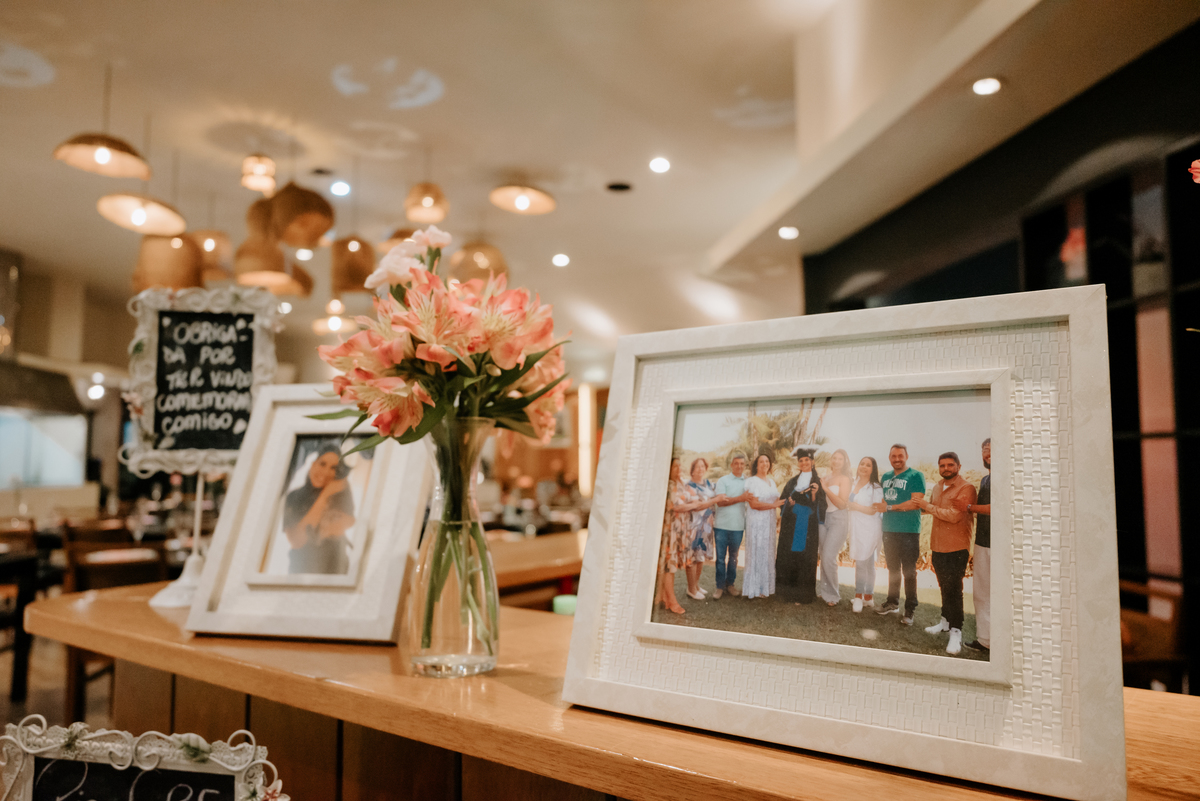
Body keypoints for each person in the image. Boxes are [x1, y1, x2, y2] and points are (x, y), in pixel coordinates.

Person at [913, 451, 977, 655]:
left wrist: (926, 505)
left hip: (957, 547)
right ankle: (945, 622)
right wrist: (916, 505)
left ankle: (956, 632)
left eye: (950, 465)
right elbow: (932, 509)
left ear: (958, 466)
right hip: (938, 545)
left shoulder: (966, 488)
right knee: (943, 586)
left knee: (954, 590)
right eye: (942, 465)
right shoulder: (938, 487)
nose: (946, 469)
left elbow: (954, 516)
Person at [282, 446, 356, 575]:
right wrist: (325, 494)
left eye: (333, 468)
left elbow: (349, 522)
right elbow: (297, 540)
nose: (326, 472)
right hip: (301, 573)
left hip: (337, 571)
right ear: (313, 464)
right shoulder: (294, 496)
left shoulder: (340, 495)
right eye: (322, 464)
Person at [875, 444, 926, 624]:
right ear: (889, 458)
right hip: (889, 529)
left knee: (909, 571)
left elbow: (916, 502)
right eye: (893, 456)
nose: (897, 459)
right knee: (893, 569)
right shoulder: (886, 477)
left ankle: (909, 609)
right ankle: (892, 602)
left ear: (906, 456)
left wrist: (890, 507)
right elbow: (883, 501)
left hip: (909, 530)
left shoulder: (916, 475)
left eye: (900, 456)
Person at [954, 438, 991, 652]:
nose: (987, 453)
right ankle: (985, 640)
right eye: (985, 450)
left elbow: (997, 507)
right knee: (981, 593)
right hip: (982, 542)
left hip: (1000, 545)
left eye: (992, 449)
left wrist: (968, 507)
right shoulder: (985, 479)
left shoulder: (1007, 476)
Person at [776, 447, 825, 603]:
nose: (804, 463)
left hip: (808, 524)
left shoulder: (818, 482)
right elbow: (783, 500)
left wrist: (814, 494)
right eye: (801, 460)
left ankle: (802, 595)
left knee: (805, 557)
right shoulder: (792, 482)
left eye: (807, 460)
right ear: (798, 463)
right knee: (789, 556)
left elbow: (821, 504)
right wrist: (789, 503)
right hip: (791, 524)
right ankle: (786, 593)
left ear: (812, 461)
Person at [742, 453, 785, 599]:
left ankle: (765, 587)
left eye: (767, 461)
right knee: (757, 551)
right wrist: (773, 505)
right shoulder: (751, 481)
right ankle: (755, 588)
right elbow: (754, 504)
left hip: (769, 522)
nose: (765, 464)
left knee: (767, 553)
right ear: (756, 465)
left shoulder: (771, 482)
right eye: (761, 461)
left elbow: (778, 500)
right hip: (757, 522)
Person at [712, 452, 753, 599]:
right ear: (731, 465)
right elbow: (720, 502)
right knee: (720, 558)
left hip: (738, 526)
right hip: (721, 526)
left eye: (742, 464)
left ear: (745, 465)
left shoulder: (748, 482)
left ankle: (730, 585)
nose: (739, 466)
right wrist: (741, 498)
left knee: (734, 558)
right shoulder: (723, 480)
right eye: (736, 463)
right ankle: (719, 587)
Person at [846, 456, 883, 613]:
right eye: (862, 464)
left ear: (873, 469)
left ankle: (858, 597)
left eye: (868, 465)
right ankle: (868, 597)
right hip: (856, 528)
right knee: (867, 563)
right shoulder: (853, 483)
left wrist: (855, 506)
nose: (864, 467)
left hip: (870, 529)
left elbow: (874, 510)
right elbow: (847, 502)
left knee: (862, 562)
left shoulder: (876, 488)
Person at [657, 457, 693, 614]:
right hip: (668, 531)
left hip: (677, 530)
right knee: (669, 566)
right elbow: (677, 506)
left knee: (669, 565)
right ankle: (672, 601)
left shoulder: (679, 484)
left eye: (680, 466)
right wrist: (697, 504)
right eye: (675, 467)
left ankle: (663, 597)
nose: (679, 469)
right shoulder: (668, 485)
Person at [817, 449, 852, 607]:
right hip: (823, 519)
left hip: (839, 519)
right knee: (823, 555)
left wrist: (825, 488)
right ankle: (825, 592)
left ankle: (833, 595)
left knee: (828, 557)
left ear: (844, 462)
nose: (836, 461)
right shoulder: (825, 477)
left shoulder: (845, 479)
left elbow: (842, 504)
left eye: (840, 459)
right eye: (834, 458)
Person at [685, 458, 720, 600]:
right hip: (693, 526)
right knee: (693, 557)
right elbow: (697, 506)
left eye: (703, 466)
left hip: (706, 526)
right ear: (692, 470)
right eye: (697, 466)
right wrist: (714, 500)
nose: (700, 469)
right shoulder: (689, 486)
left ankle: (696, 585)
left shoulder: (709, 484)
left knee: (701, 557)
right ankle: (691, 589)